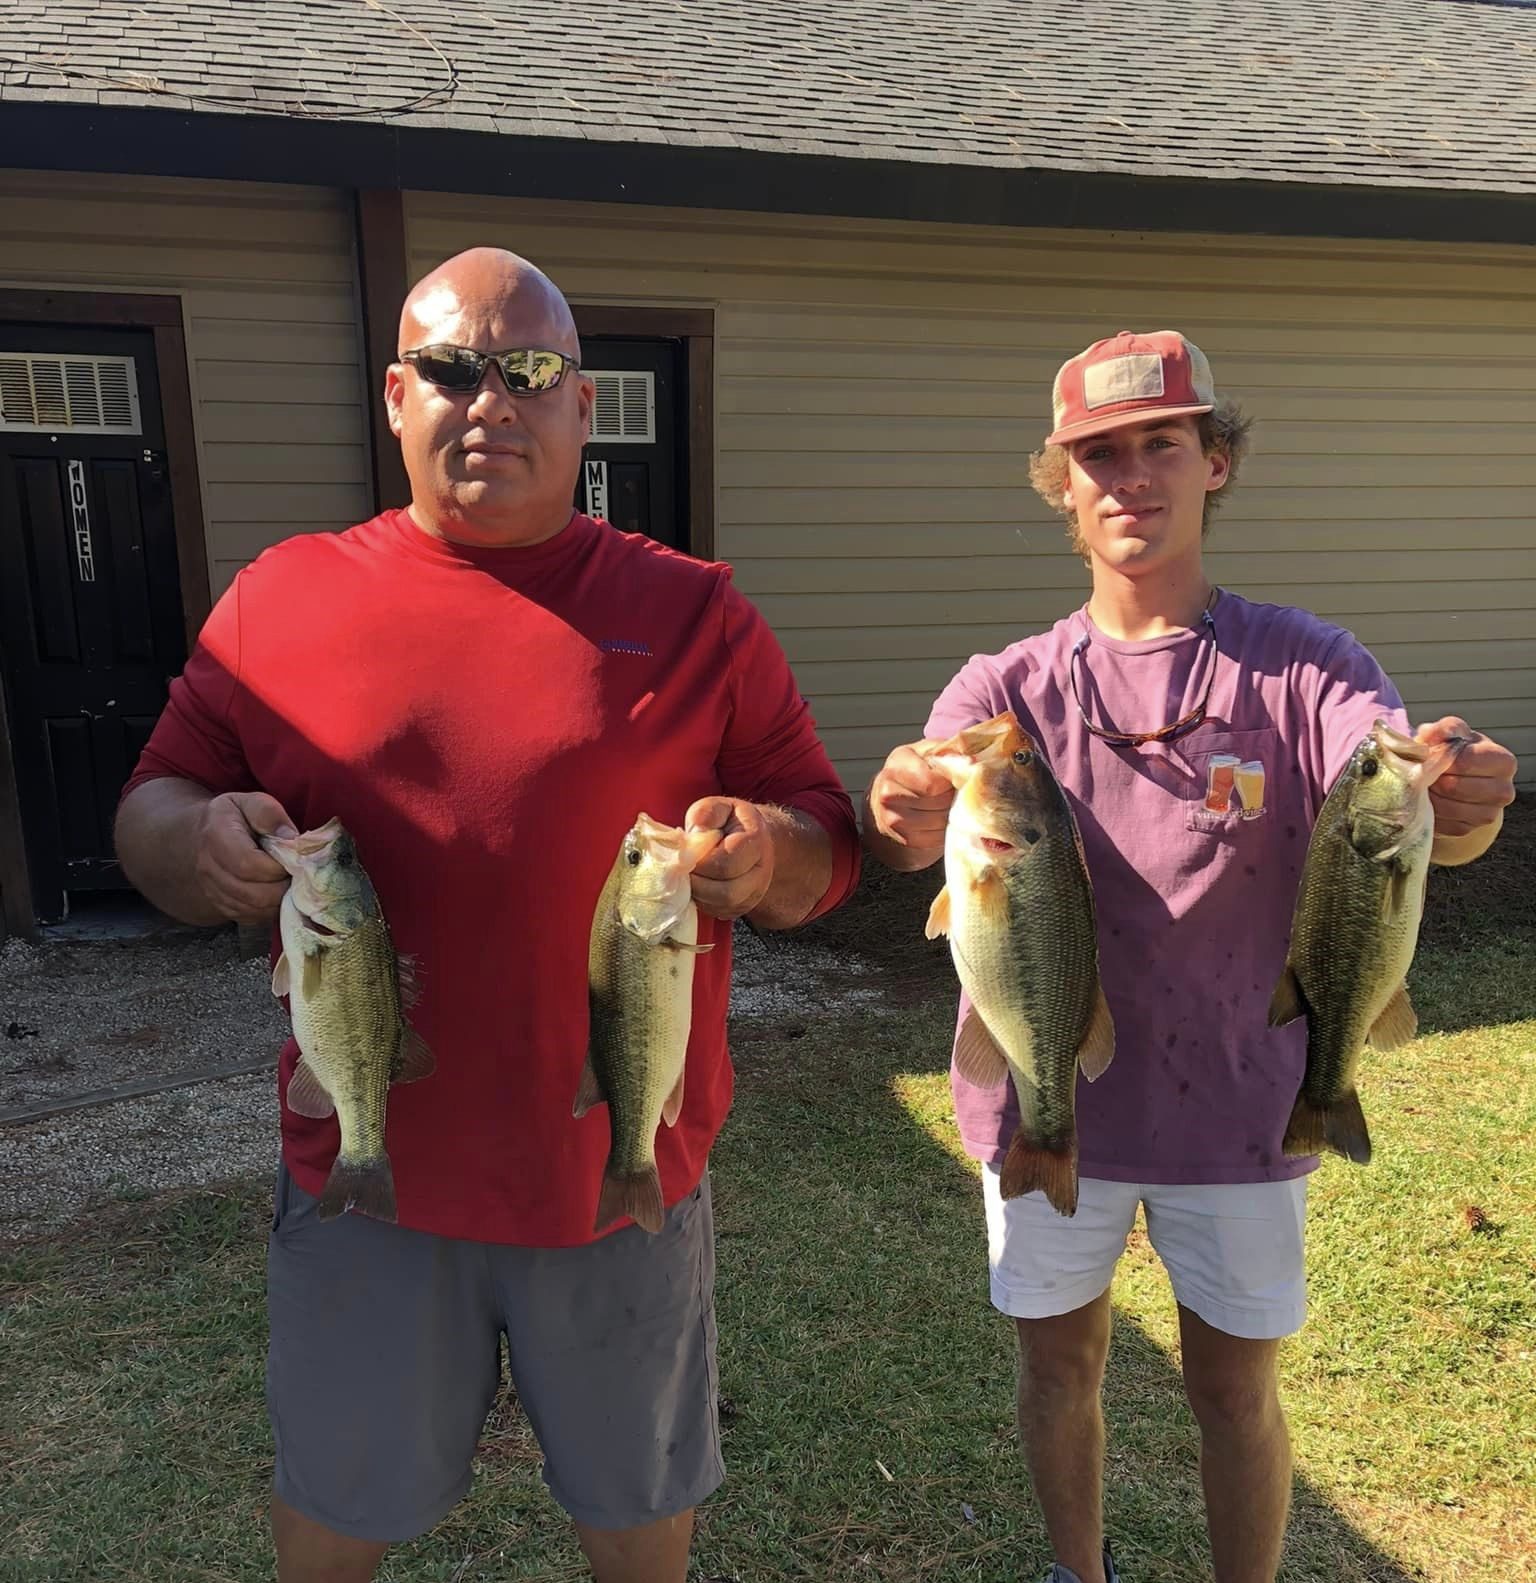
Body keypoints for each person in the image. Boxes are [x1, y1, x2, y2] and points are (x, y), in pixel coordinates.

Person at [114, 247, 860, 1583]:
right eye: (454, 368)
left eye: (529, 370)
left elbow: (823, 839)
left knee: (637, 1512)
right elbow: (151, 802)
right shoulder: (282, 599)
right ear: (397, 394)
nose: (491, 401)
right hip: (369, 1178)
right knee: (333, 1512)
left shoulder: (695, 611)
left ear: (584, 405)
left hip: (615, 1173)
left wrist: (768, 856)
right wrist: (194, 839)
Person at [862, 330, 1517, 1583]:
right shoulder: (1008, 683)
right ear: (1063, 484)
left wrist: (1469, 799)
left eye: (1159, 444)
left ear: (1214, 461)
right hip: (1048, 1089)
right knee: (1060, 1366)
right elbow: (908, 831)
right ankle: (1079, 1569)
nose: (1129, 478)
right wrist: (898, 803)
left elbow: (1395, 804)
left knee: (1233, 1387)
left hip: (1243, 1094)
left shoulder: (1309, 666)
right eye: (1097, 455)